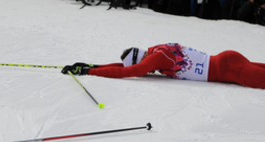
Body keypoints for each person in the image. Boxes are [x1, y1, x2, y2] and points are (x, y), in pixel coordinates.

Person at [62, 43, 265, 89]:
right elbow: (126, 67)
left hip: (228, 68)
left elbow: (130, 71)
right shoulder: (155, 53)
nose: (145, 73)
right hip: (226, 65)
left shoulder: (157, 57)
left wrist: (89, 71)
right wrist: (93, 65)